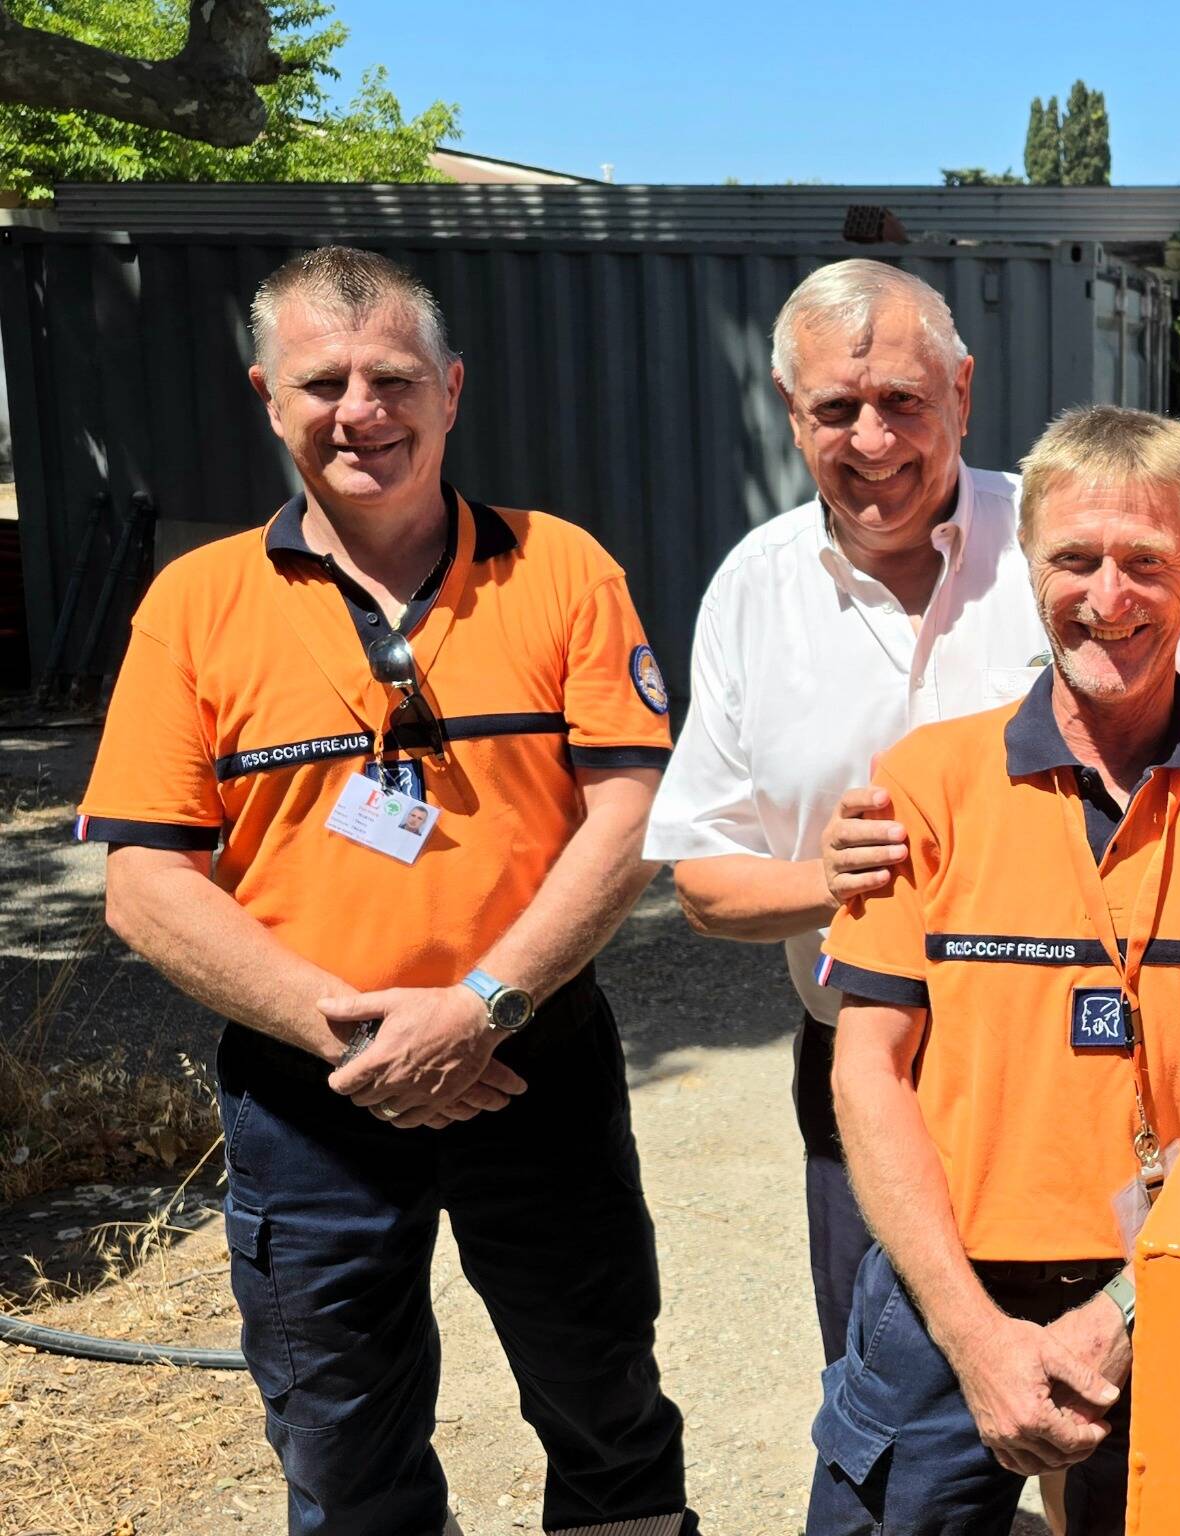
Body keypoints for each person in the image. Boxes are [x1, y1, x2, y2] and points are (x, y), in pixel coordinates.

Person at [76, 246, 697, 1536]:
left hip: (532, 1059)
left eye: (394, 377)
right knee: (343, 1438)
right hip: (312, 1094)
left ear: (453, 389)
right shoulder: (194, 606)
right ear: (266, 396)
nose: (361, 409)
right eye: (323, 382)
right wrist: (355, 1034)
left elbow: (631, 815)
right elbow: (143, 881)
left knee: (603, 1401)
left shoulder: (561, 568)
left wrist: (480, 1007)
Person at [643, 259, 1180, 1373]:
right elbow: (701, 881)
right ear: (789, 411)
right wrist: (843, 881)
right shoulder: (754, 589)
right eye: (835, 409)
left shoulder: (1070, 540)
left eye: (902, 401)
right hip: (876, 1063)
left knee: (1109, 1407)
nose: (871, 440)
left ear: (961, 390)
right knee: (908, 1406)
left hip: (1094, 1069)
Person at [807, 406, 1180, 1535]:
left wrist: (1121, 1312)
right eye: (1073, 559)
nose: (1106, 597)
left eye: (1145, 562)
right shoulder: (926, 782)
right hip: (947, 1298)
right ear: (1027, 563)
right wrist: (976, 1337)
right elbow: (868, 1075)